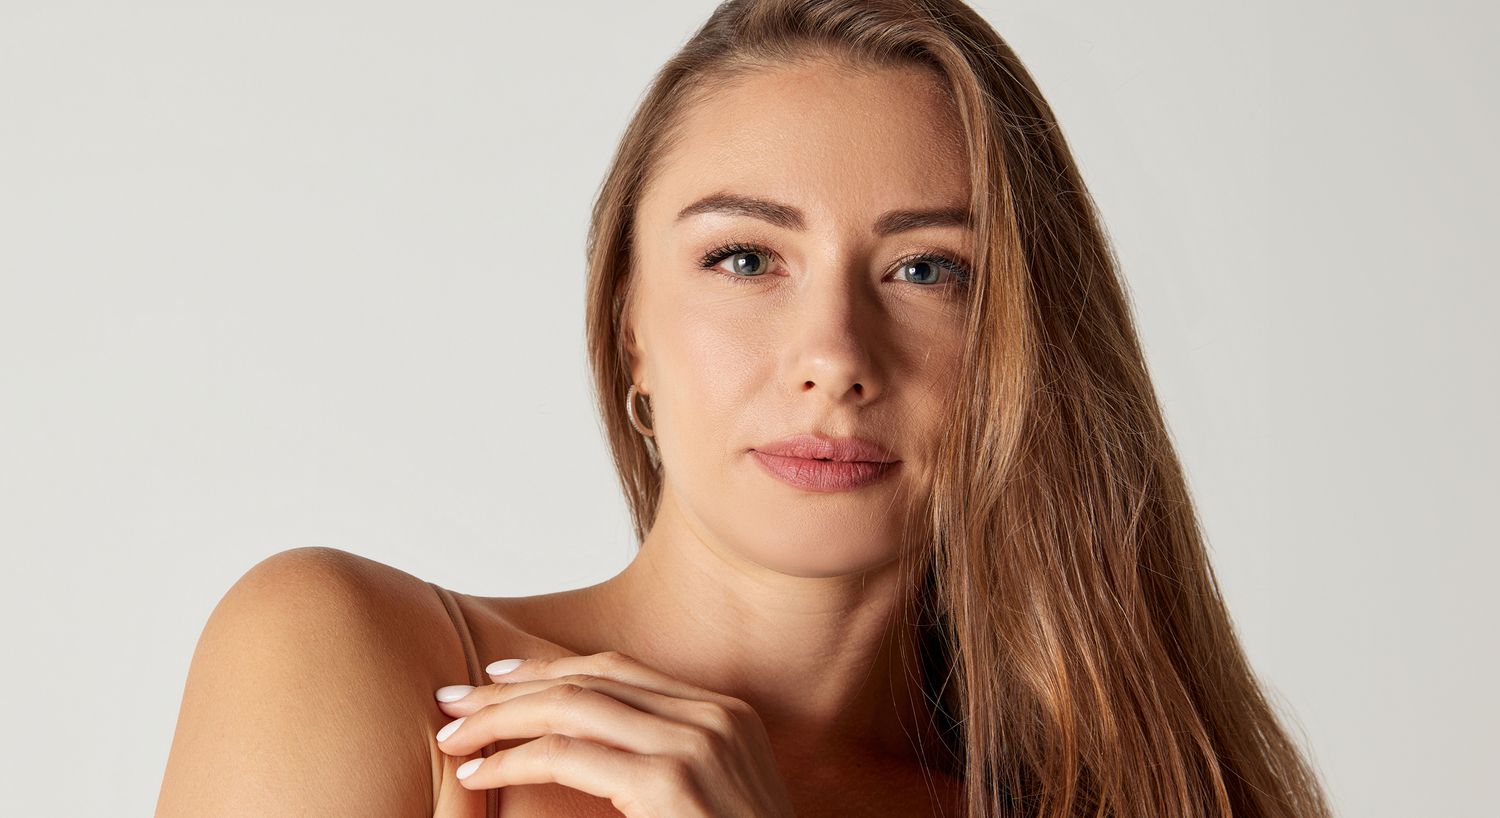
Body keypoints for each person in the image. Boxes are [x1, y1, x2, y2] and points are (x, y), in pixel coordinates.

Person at [155, 1, 1336, 816]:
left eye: (928, 270)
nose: (832, 356)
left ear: (1025, 350)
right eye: (745, 258)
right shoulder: (362, 659)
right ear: (630, 326)